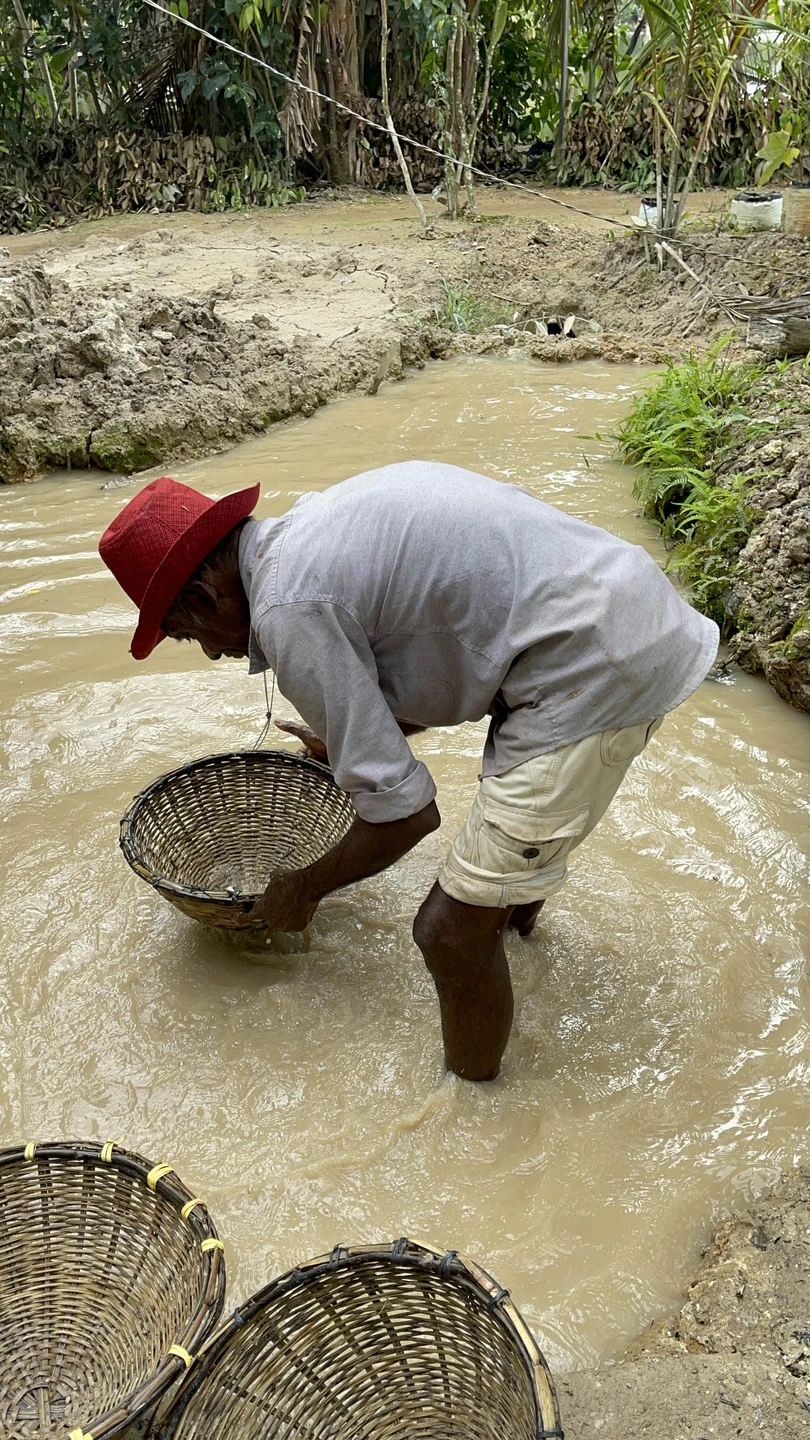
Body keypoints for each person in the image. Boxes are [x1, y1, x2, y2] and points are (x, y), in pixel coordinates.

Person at [99, 464, 718, 1082]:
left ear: (206, 598)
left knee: (447, 933)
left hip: (591, 668)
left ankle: (477, 1118)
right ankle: (515, 944)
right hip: (626, 613)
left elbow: (409, 815)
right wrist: (355, 739)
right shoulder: (311, 529)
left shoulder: (287, 610)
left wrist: (305, 887)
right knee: (502, 868)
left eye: (189, 634)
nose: (213, 653)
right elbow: (444, 648)